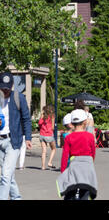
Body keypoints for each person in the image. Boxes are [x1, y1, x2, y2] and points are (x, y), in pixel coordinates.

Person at [0, 71, 32, 200]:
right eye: (2, 88)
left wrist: (28, 138)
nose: (5, 91)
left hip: (13, 141)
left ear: (12, 85)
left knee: (5, 176)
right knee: (9, 175)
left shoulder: (18, 98)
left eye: (7, 88)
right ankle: (16, 197)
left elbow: (26, 119)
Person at [57, 109, 97, 200]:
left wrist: (63, 171)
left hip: (74, 166)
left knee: (71, 189)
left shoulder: (69, 137)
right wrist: (90, 164)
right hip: (87, 167)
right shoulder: (90, 136)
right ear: (85, 122)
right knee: (85, 190)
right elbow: (93, 153)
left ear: (72, 122)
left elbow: (65, 156)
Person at [38, 105, 56, 170]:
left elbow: (39, 123)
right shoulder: (52, 116)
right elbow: (53, 127)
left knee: (43, 151)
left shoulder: (42, 116)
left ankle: (43, 166)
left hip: (42, 135)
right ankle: (50, 162)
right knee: (53, 149)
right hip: (49, 135)